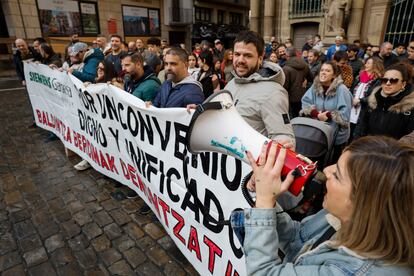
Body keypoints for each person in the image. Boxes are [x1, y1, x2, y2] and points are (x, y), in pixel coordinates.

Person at [231, 136, 414, 275]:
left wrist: (264, 204)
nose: (327, 170)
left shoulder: (352, 271)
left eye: (337, 174)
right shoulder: (340, 217)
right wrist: (266, 195)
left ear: (363, 202)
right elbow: (298, 238)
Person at [224, 30, 295, 145]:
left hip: (251, 161)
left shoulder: (273, 92)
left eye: (247, 55)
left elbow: (282, 135)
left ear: (260, 59)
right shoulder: (232, 82)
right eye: (237, 54)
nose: (240, 60)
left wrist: (285, 143)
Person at [74, 60, 122, 171]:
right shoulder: (96, 81)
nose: (99, 70)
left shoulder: (114, 83)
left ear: (108, 70)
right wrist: (88, 87)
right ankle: (90, 158)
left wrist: (115, 88)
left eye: (102, 68)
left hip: (111, 122)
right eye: (98, 68)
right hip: (98, 119)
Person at [300, 61, 352, 162]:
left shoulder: (342, 90)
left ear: (334, 75)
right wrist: (317, 114)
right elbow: (305, 103)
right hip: (318, 134)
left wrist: (328, 114)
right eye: (322, 70)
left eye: (327, 71)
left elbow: (344, 115)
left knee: (330, 164)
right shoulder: (315, 87)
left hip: (336, 137)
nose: (323, 73)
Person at [354, 62, 414, 140]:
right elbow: (361, 129)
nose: (388, 83)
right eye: (384, 80)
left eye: (393, 80)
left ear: (403, 84)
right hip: (368, 149)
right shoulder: (372, 102)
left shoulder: (410, 108)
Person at [349, 57, 383, 140]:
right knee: (349, 132)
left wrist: (360, 100)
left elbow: (375, 96)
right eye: (366, 63)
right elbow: (352, 90)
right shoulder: (359, 77)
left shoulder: (378, 80)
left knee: (358, 136)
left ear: (375, 65)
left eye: (368, 63)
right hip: (352, 109)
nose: (365, 65)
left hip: (364, 111)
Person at [283, 47, 313, 118]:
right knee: (301, 118)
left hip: (290, 99)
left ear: (287, 55)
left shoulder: (286, 68)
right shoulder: (305, 65)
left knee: (290, 120)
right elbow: (311, 79)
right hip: (303, 96)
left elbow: (284, 87)